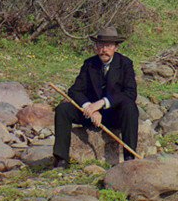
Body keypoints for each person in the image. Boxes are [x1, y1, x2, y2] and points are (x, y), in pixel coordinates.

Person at [52, 27, 139, 168]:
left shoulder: (125, 64)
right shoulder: (89, 64)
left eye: (108, 46)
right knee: (63, 109)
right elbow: (74, 91)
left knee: (130, 108)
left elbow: (130, 93)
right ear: (96, 47)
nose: (104, 50)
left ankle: (129, 158)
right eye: (100, 45)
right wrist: (89, 108)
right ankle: (61, 160)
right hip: (91, 115)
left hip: (114, 115)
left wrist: (102, 103)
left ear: (116, 47)